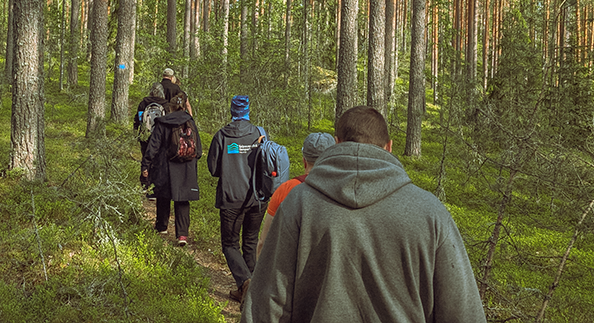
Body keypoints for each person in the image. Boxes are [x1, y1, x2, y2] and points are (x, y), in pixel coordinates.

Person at [242, 106, 487, 323]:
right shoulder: (430, 212)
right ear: (389, 146)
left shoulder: (298, 203)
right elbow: (462, 312)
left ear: (336, 143)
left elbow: (267, 303)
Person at [207, 95, 264, 303]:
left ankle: (246, 283)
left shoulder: (221, 135)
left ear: (232, 110)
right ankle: (252, 291)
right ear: (248, 110)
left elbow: (213, 169)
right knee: (250, 242)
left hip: (231, 198)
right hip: (257, 197)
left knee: (230, 244)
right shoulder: (259, 133)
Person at [256, 131, 335, 250]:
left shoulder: (285, 189)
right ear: (332, 160)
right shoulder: (343, 190)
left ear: (304, 161)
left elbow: (265, 241)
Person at [140, 92, 200, 246]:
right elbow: (198, 150)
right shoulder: (190, 122)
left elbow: (153, 146)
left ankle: (162, 227)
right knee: (182, 200)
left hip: (165, 165)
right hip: (186, 168)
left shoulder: (162, 123)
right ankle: (182, 235)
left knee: (163, 196)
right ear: (184, 107)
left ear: (170, 108)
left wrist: (146, 164)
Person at [135, 82, 169, 156]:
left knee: (146, 154)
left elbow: (138, 119)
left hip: (146, 133)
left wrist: (137, 131)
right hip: (161, 135)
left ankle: (146, 162)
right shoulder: (165, 105)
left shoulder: (143, 103)